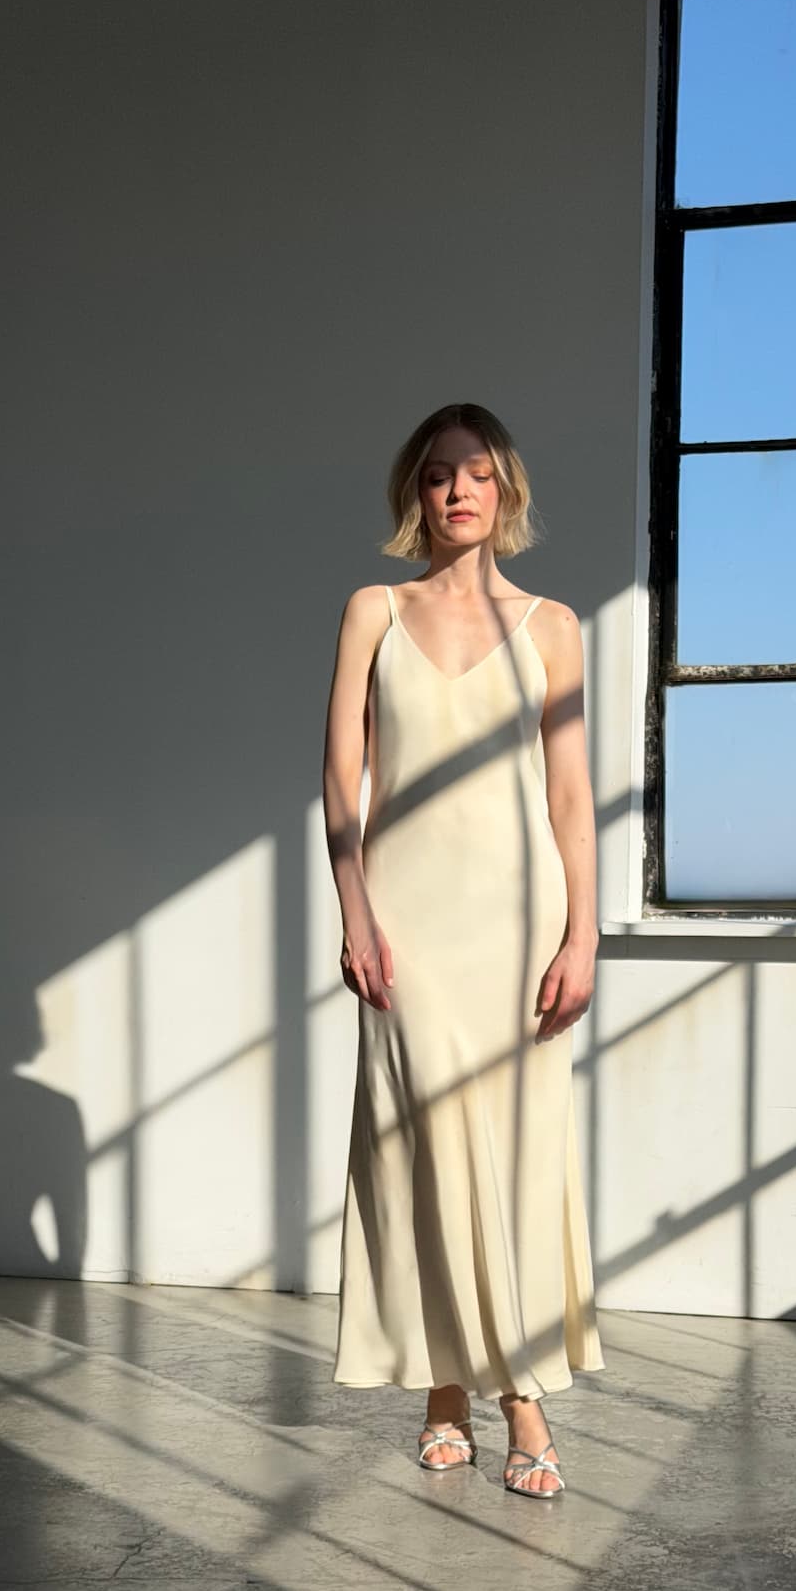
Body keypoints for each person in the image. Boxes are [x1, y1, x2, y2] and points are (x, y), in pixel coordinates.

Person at [321, 401, 605, 1499]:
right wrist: (354, 909)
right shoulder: (371, 612)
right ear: (416, 494)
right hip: (407, 919)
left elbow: (573, 797)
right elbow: (339, 777)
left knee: (516, 1150)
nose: (457, 492)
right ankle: (449, 1392)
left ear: (507, 493)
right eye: (438, 476)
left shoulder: (553, 627)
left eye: (477, 475)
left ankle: (517, 1395)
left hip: (518, 918)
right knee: (420, 1145)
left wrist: (583, 933)